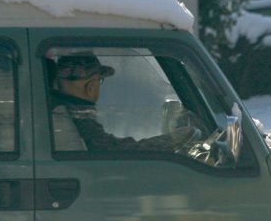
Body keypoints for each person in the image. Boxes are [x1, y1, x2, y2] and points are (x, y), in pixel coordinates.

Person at [49, 52, 196, 152]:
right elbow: (118, 151)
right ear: (90, 87)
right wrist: (170, 140)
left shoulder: (62, 110)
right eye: (100, 80)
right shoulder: (79, 117)